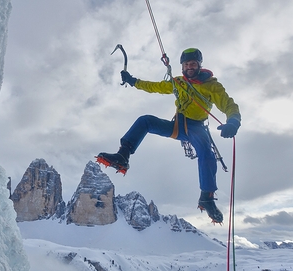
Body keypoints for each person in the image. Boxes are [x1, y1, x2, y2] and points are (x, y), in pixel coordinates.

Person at [96, 48, 241, 223]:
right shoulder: (178, 82)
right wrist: (133, 81)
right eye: (186, 64)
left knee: (206, 154)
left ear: (199, 65)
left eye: (193, 64)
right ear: (182, 66)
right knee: (145, 121)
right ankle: (123, 156)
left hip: (197, 128)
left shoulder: (212, 86)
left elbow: (228, 104)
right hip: (179, 126)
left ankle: (207, 197)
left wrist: (233, 121)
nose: (189, 67)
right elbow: (155, 87)